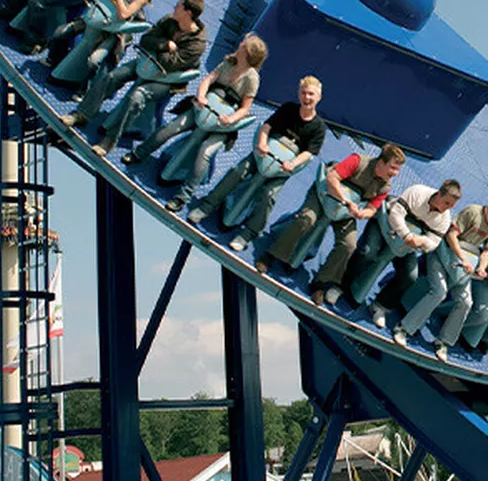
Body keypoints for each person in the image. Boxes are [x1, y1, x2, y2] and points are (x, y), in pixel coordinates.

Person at [123, 34, 268, 204]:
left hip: (222, 121)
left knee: (205, 153)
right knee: (171, 128)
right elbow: (209, 79)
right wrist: (201, 96)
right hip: (204, 108)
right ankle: (139, 153)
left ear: (249, 54)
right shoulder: (229, 62)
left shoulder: (251, 79)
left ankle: (183, 196)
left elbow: (245, 108)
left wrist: (230, 119)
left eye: (244, 45)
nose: (240, 44)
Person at [62, 0, 208, 157]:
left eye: (178, 6)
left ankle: (109, 140)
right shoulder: (169, 20)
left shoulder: (197, 44)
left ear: (188, 13)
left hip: (165, 79)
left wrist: (158, 48)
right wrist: (165, 45)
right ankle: (82, 114)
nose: (174, 7)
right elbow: (146, 39)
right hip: (146, 62)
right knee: (112, 77)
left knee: (136, 97)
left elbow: (172, 63)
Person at [188, 76, 326, 242]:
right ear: (299, 94)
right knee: (238, 171)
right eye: (303, 93)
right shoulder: (288, 109)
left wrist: (293, 163)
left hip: (283, 167)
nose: (307, 98)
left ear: (319, 97)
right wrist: (262, 144)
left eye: (311, 94)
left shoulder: (319, 127)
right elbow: (267, 127)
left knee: (269, 195)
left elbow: (309, 153)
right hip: (264, 154)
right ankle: (207, 206)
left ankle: (249, 233)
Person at [260, 143, 406, 298]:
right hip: (324, 195)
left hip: (345, 211)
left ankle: (322, 282)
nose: (395, 173)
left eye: (397, 169)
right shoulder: (357, 161)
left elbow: (372, 208)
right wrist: (345, 200)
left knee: (349, 245)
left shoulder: (385, 186)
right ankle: (272, 256)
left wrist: (363, 213)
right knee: (306, 219)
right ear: (381, 162)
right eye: (392, 168)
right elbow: (332, 177)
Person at [396, 184, 488, 361]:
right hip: (442, 257)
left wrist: (482, 268)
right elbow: (451, 235)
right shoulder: (473, 212)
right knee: (439, 292)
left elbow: (486, 251)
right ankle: (404, 328)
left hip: (462, 267)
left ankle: (443, 341)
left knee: (466, 302)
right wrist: (463, 259)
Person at [357, 180, 463, 323]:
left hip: (406, 244)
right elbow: (395, 214)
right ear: (438, 194)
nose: (447, 208)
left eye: (451, 206)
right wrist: (406, 235)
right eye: (446, 203)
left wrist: (423, 241)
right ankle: (345, 286)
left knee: (410, 276)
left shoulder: (444, 217)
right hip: (385, 227)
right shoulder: (418, 192)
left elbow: (434, 242)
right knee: (367, 251)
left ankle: (380, 305)